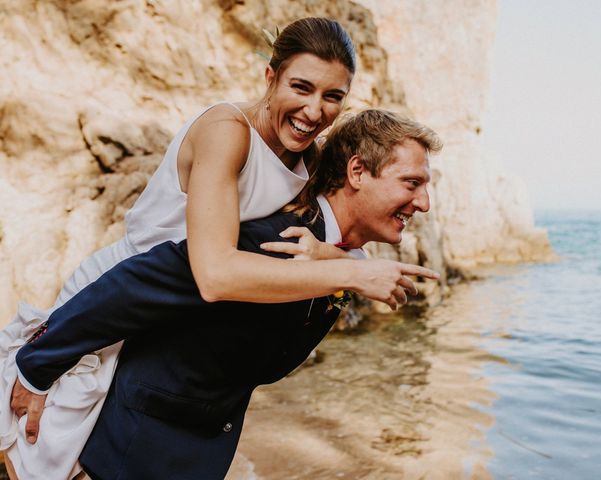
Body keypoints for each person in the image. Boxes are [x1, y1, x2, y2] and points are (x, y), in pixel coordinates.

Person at [1, 17, 432, 480]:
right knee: (43, 448)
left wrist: (338, 258)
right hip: (129, 287)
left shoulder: (310, 156)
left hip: (173, 302)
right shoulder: (228, 130)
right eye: (301, 87)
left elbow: (337, 214)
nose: (314, 110)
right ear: (270, 77)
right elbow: (213, 273)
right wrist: (38, 367)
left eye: (333, 97)